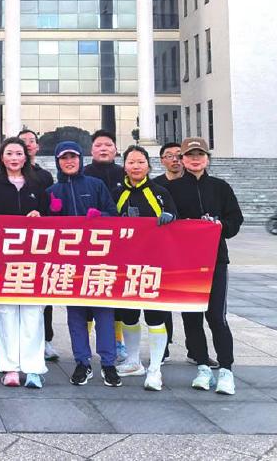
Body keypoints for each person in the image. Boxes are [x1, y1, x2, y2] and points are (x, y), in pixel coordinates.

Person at [166, 137, 243, 396]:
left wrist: (221, 226)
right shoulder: (172, 189)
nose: (195, 159)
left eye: (200, 154)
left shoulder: (220, 187)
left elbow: (235, 220)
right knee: (191, 317)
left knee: (217, 317)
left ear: (207, 158)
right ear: (182, 160)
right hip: (185, 264)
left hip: (215, 261)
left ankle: (226, 370)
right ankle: (202, 367)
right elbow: (168, 223)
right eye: (190, 155)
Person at [46, 140, 121, 387]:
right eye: (64, 158)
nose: (69, 162)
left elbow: (113, 214)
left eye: (73, 157)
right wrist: (52, 213)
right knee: (76, 315)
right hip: (69, 263)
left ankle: (108, 364)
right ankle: (82, 362)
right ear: (58, 162)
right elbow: (44, 230)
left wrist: (101, 216)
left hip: (99, 262)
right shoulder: (53, 190)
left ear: (80, 159)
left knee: (104, 314)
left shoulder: (95, 185)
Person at [0, 137, 49, 388]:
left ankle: (33, 369)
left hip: (33, 258)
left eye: (19, 153)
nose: (14, 158)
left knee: (33, 312)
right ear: (1, 157)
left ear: (26, 157)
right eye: (9, 153)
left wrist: (40, 216)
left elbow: (50, 217)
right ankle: (10, 367)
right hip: (2, 259)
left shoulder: (38, 184)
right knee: (6, 312)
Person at [112, 145, 177, 391]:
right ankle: (133, 361)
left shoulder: (160, 192)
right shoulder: (117, 192)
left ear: (148, 166)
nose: (136, 166)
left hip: (154, 265)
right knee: (129, 315)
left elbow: (176, 219)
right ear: (124, 166)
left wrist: (170, 217)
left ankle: (155, 368)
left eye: (140, 162)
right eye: (131, 162)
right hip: (125, 266)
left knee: (155, 316)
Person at [83, 129, 127, 360]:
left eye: (108, 145)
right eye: (98, 145)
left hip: (120, 245)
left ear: (115, 149)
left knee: (116, 293)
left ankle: (118, 341)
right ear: (91, 150)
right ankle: (84, 344)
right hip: (90, 246)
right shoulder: (83, 174)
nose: (103, 149)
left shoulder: (125, 174)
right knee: (87, 293)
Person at [17, 128, 59, 363]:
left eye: (31, 141)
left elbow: (50, 206)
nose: (27, 145)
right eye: (22, 142)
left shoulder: (44, 176)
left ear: (37, 146)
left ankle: (46, 340)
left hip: (40, 243)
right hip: (13, 244)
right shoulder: (5, 176)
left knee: (44, 291)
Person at [150, 141, 185, 363]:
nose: (175, 159)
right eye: (169, 156)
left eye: (179, 155)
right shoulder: (155, 186)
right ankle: (164, 348)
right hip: (162, 252)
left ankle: (196, 351)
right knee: (162, 301)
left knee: (191, 303)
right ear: (162, 160)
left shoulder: (193, 183)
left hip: (186, 251)